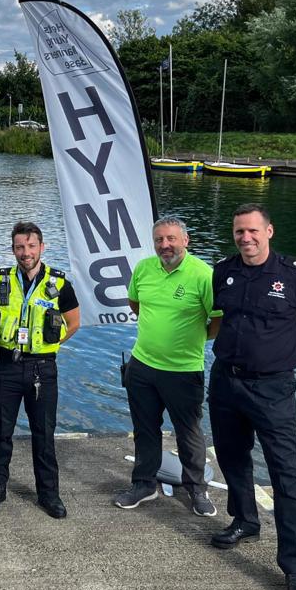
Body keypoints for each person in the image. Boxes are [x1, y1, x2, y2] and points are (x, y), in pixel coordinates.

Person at [208, 204, 296, 590]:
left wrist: (282, 357)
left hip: (273, 388)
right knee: (232, 456)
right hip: (225, 381)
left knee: (286, 475)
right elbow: (221, 317)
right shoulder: (223, 271)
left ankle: (295, 568)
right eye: (240, 231)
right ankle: (245, 520)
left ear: (269, 231)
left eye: (253, 231)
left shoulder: (295, 277)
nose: (246, 238)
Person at [114, 217, 221, 517]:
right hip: (143, 365)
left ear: (185, 240)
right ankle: (144, 484)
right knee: (145, 429)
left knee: (188, 431)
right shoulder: (144, 269)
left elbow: (217, 320)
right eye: (160, 239)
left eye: (172, 239)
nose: (165, 245)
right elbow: (135, 303)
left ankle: (196, 488)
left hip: (184, 369)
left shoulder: (203, 274)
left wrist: (195, 337)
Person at [0, 221, 80, 519]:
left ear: (42, 247)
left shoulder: (60, 284)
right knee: (1, 432)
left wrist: (46, 344)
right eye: (20, 247)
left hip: (42, 369)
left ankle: (49, 493)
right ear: (13, 249)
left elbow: (73, 323)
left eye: (31, 246)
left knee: (44, 433)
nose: (26, 253)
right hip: (6, 366)